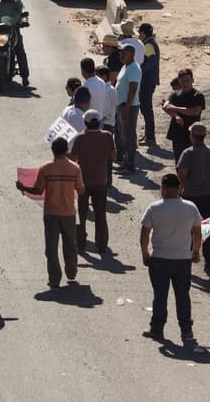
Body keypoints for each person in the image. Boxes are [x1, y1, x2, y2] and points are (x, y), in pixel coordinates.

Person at [139, 173, 202, 347]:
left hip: (160, 259)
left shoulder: (154, 208)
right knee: (183, 296)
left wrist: (145, 253)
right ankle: (186, 330)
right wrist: (195, 251)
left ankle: (157, 328)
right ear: (179, 188)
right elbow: (197, 231)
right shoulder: (191, 207)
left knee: (160, 296)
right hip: (182, 260)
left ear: (164, 189)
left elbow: (144, 234)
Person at [17, 136, 85, 288]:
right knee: (70, 245)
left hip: (51, 213)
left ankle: (55, 279)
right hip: (68, 212)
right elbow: (81, 191)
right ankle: (71, 272)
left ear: (52, 150)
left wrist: (23, 187)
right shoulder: (75, 168)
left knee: (51, 248)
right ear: (67, 150)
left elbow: (38, 190)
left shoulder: (46, 168)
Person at [177, 123, 210, 274]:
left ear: (191, 136)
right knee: (207, 229)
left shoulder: (187, 154)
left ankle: (186, 258)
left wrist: (179, 192)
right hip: (209, 196)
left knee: (188, 230)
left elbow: (182, 175)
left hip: (191, 197)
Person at [70, 111, 116, 253]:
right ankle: (102, 244)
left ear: (85, 122)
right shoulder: (107, 136)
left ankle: (80, 243)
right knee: (100, 213)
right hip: (101, 180)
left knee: (81, 214)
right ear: (99, 121)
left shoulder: (80, 138)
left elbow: (73, 158)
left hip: (83, 181)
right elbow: (113, 156)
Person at [162, 67, 205, 162]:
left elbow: (194, 111)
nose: (185, 83)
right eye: (182, 81)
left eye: (187, 80)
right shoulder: (175, 95)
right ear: (179, 81)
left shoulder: (198, 96)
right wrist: (175, 116)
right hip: (177, 135)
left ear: (192, 80)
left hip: (193, 136)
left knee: (193, 164)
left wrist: (174, 108)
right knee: (179, 163)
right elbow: (166, 106)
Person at [115, 43, 142, 171]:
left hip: (129, 107)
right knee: (123, 136)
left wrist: (127, 106)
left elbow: (133, 88)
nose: (121, 55)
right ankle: (126, 162)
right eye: (121, 52)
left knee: (129, 136)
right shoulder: (125, 66)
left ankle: (130, 165)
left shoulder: (133, 68)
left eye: (124, 52)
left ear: (131, 53)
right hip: (122, 105)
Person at [137, 22, 160, 144]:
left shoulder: (149, 45)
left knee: (146, 109)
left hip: (147, 82)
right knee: (145, 109)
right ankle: (148, 135)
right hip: (148, 81)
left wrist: (139, 73)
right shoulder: (148, 44)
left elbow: (151, 63)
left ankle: (150, 137)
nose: (138, 35)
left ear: (143, 33)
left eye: (139, 33)